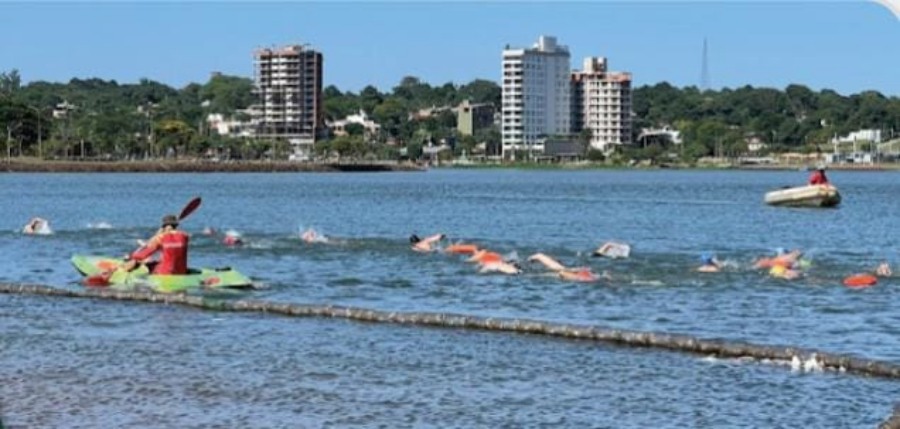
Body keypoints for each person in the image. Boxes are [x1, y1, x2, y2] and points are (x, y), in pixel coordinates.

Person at [121, 214, 189, 275]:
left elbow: (144, 253)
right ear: (176, 226)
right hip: (181, 271)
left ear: (164, 226)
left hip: (165, 272)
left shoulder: (160, 238)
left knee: (139, 261)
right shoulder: (185, 236)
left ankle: (125, 270)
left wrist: (132, 257)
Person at [527, 253, 599, 282]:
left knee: (561, 271)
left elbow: (539, 255)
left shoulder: (557, 268)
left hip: (567, 272)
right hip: (575, 274)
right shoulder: (558, 268)